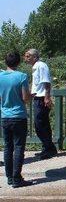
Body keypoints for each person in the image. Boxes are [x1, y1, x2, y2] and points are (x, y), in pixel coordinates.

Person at [0, 52, 33, 188]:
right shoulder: (21, 76)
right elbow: (25, 98)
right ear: (18, 63)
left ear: (5, 62)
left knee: (8, 147)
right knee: (19, 147)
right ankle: (17, 178)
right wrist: (31, 96)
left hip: (5, 115)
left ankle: (9, 177)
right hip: (19, 116)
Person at [23, 49, 57, 160]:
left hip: (42, 98)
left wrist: (47, 97)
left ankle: (49, 149)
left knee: (40, 124)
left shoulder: (41, 65)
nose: (25, 58)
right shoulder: (36, 67)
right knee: (42, 124)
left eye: (28, 56)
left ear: (35, 57)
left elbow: (46, 82)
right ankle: (48, 148)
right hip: (38, 97)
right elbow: (38, 84)